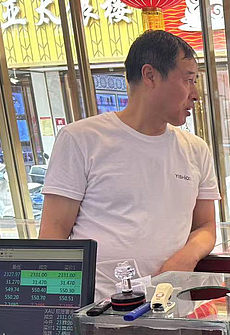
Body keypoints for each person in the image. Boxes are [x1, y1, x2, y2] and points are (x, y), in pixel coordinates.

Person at [39, 30, 219, 299]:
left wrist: (185, 258)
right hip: (100, 309)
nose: (195, 94)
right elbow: (53, 234)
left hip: (171, 304)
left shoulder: (195, 149)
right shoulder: (81, 138)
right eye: (188, 80)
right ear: (150, 76)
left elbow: (205, 226)